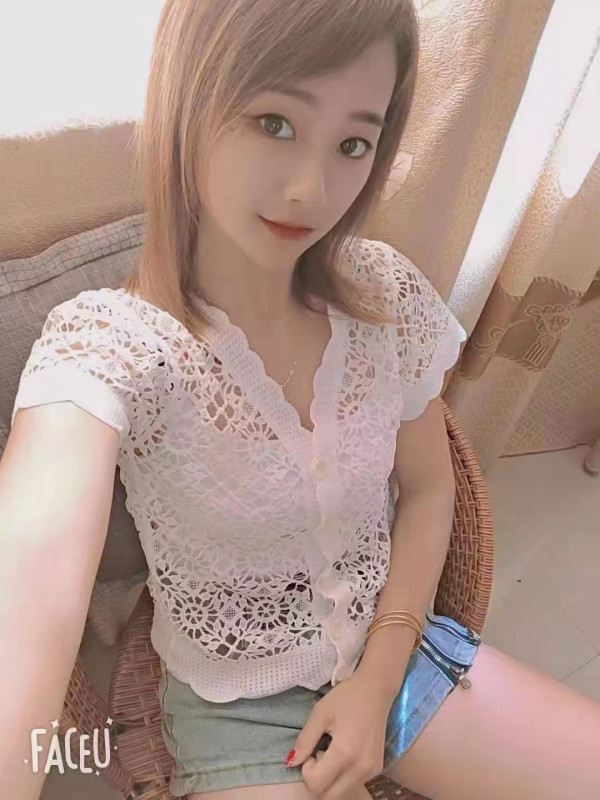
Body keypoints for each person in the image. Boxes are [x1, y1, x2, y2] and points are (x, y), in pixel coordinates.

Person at [2, 1, 600, 799]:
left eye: (353, 143)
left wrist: (378, 681)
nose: (311, 189)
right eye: (275, 123)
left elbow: (429, 488)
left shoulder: (384, 296)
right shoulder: (109, 345)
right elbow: (28, 582)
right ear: (190, 100)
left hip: (396, 648)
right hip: (235, 708)